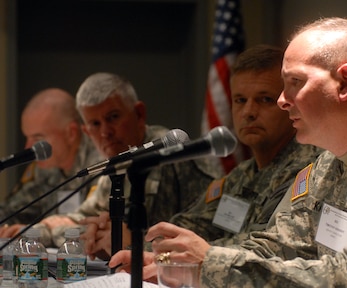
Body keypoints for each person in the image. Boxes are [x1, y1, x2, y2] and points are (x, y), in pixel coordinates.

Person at [110, 17, 347, 287]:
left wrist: (211, 263)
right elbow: (282, 243)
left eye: (295, 82)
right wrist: (181, 261)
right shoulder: (328, 162)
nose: (282, 100)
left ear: (345, 82)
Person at [81, 45, 321, 259]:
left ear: (288, 104)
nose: (248, 111)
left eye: (265, 99)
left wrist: (134, 246)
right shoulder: (242, 175)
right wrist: (121, 238)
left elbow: (265, 249)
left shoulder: (307, 171)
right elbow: (192, 224)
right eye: (239, 100)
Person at [2, 72, 219, 251]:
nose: (105, 132)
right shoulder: (116, 163)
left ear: (139, 114)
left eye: (113, 117)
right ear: (86, 131)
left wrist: (121, 238)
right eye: (95, 124)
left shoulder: (168, 154)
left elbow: (203, 233)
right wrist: (42, 230)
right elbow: (86, 219)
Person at [0, 88, 101, 225]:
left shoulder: (99, 162)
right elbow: (13, 211)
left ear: (71, 133)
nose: (28, 147)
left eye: (37, 138)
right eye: (27, 137)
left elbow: (93, 224)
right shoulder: (45, 165)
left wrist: (35, 232)